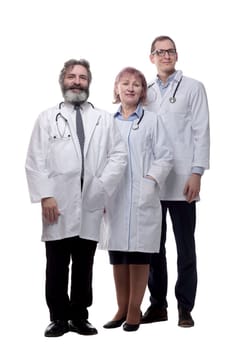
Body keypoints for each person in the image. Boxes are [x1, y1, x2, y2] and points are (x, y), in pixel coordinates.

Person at [25, 59, 127, 337]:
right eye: (72, 76)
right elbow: (35, 160)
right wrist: (45, 196)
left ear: (88, 83)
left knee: (84, 263)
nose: (77, 81)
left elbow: (118, 156)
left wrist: (103, 186)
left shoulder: (104, 119)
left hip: (92, 200)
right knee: (57, 263)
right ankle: (58, 317)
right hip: (58, 203)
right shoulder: (48, 118)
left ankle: (80, 316)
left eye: (82, 77)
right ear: (63, 81)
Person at [141, 35, 210, 327]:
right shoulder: (146, 92)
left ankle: (185, 307)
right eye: (160, 51)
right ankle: (158, 306)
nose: (165, 55)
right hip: (154, 181)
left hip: (183, 180)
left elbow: (201, 131)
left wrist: (197, 172)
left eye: (170, 51)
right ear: (152, 57)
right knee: (153, 248)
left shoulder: (193, 88)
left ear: (177, 56)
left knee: (185, 247)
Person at [100, 67, 173, 332]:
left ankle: (134, 309)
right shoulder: (107, 122)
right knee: (118, 253)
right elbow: (101, 159)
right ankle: (121, 307)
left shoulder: (153, 121)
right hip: (116, 195)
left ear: (143, 91)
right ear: (117, 88)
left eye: (137, 84)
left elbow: (165, 156)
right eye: (125, 83)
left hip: (144, 195)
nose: (131, 88)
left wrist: (150, 180)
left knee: (140, 253)